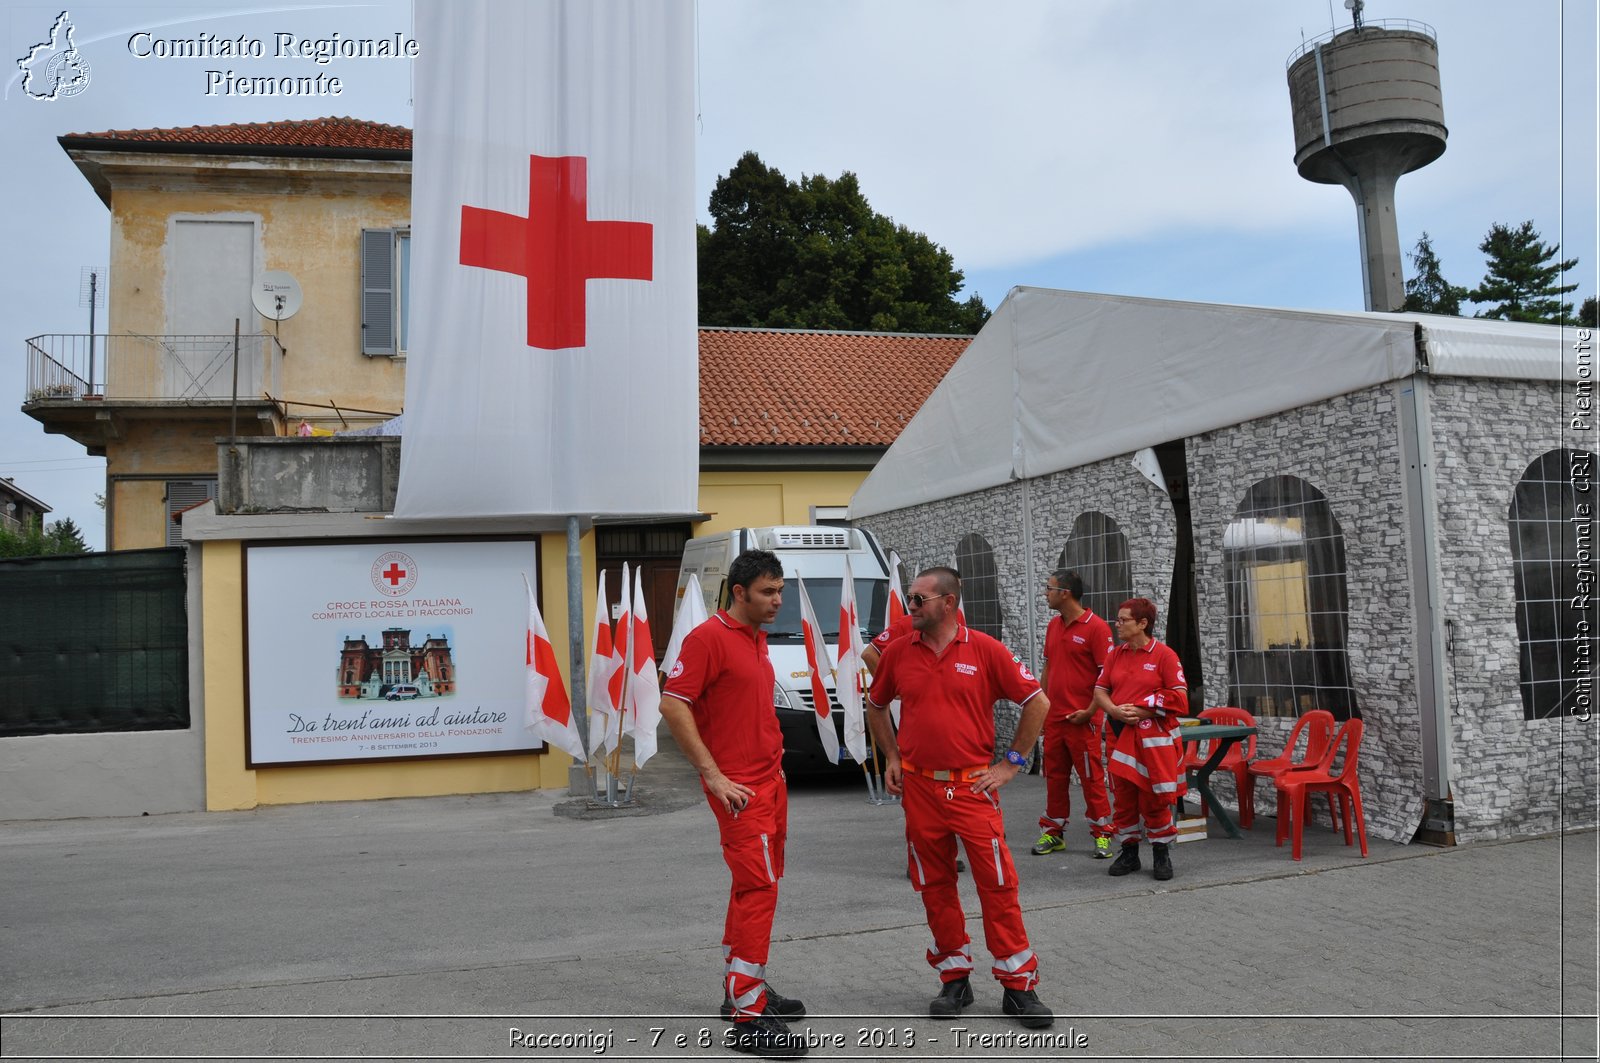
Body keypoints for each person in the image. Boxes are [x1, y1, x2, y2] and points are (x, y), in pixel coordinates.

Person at [866, 566, 1055, 1029]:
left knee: (997, 883)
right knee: (934, 886)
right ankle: (955, 978)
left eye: (918, 600)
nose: (910, 608)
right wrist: (891, 756)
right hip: (919, 788)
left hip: (972, 787)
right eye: (910, 599)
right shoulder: (898, 652)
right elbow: (875, 705)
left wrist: (1011, 762)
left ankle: (1018, 987)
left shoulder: (985, 650)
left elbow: (1038, 702)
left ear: (948, 603)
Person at [661, 549, 809, 1058]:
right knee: (758, 888)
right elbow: (673, 703)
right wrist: (713, 774)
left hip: (770, 783)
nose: (778, 600)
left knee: (754, 887)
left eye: (781, 591)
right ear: (739, 592)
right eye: (768, 592)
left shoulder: (755, 639)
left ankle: (740, 991)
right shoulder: (708, 639)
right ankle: (748, 1018)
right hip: (740, 791)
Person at [1091, 597, 1189, 882]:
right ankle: (1129, 852)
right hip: (1119, 735)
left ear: (1142, 623)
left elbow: (1180, 699)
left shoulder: (1165, 656)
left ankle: (1161, 853)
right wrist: (1113, 711)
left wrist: (1145, 708)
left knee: (1155, 797)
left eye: (1123, 620)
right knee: (1123, 797)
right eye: (1118, 619)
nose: (1117, 625)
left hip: (1153, 742)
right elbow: (1100, 691)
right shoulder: (1115, 654)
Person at [1030, 570, 1115, 859]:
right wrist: (1041, 708)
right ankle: (1053, 833)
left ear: (1065, 593)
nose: (1046, 593)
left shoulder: (1097, 628)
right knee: (1054, 777)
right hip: (1054, 719)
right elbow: (1048, 668)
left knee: (1091, 778)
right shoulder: (1053, 626)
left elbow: (1107, 678)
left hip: (1083, 720)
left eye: (1049, 588)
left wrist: (1091, 711)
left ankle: (1103, 834)